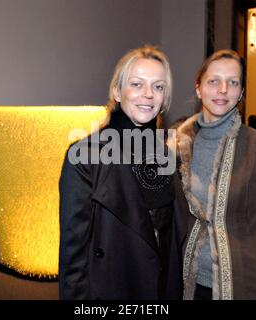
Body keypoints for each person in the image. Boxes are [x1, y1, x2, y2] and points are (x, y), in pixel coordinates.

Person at [58, 45, 188, 300]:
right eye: (137, 84)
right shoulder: (85, 155)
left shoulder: (167, 157)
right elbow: (73, 256)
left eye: (159, 87)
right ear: (117, 91)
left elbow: (169, 241)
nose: (149, 95)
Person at [174, 49, 256, 299]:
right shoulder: (180, 146)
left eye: (233, 82)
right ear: (198, 88)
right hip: (188, 282)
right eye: (213, 81)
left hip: (243, 282)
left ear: (241, 93)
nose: (223, 89)